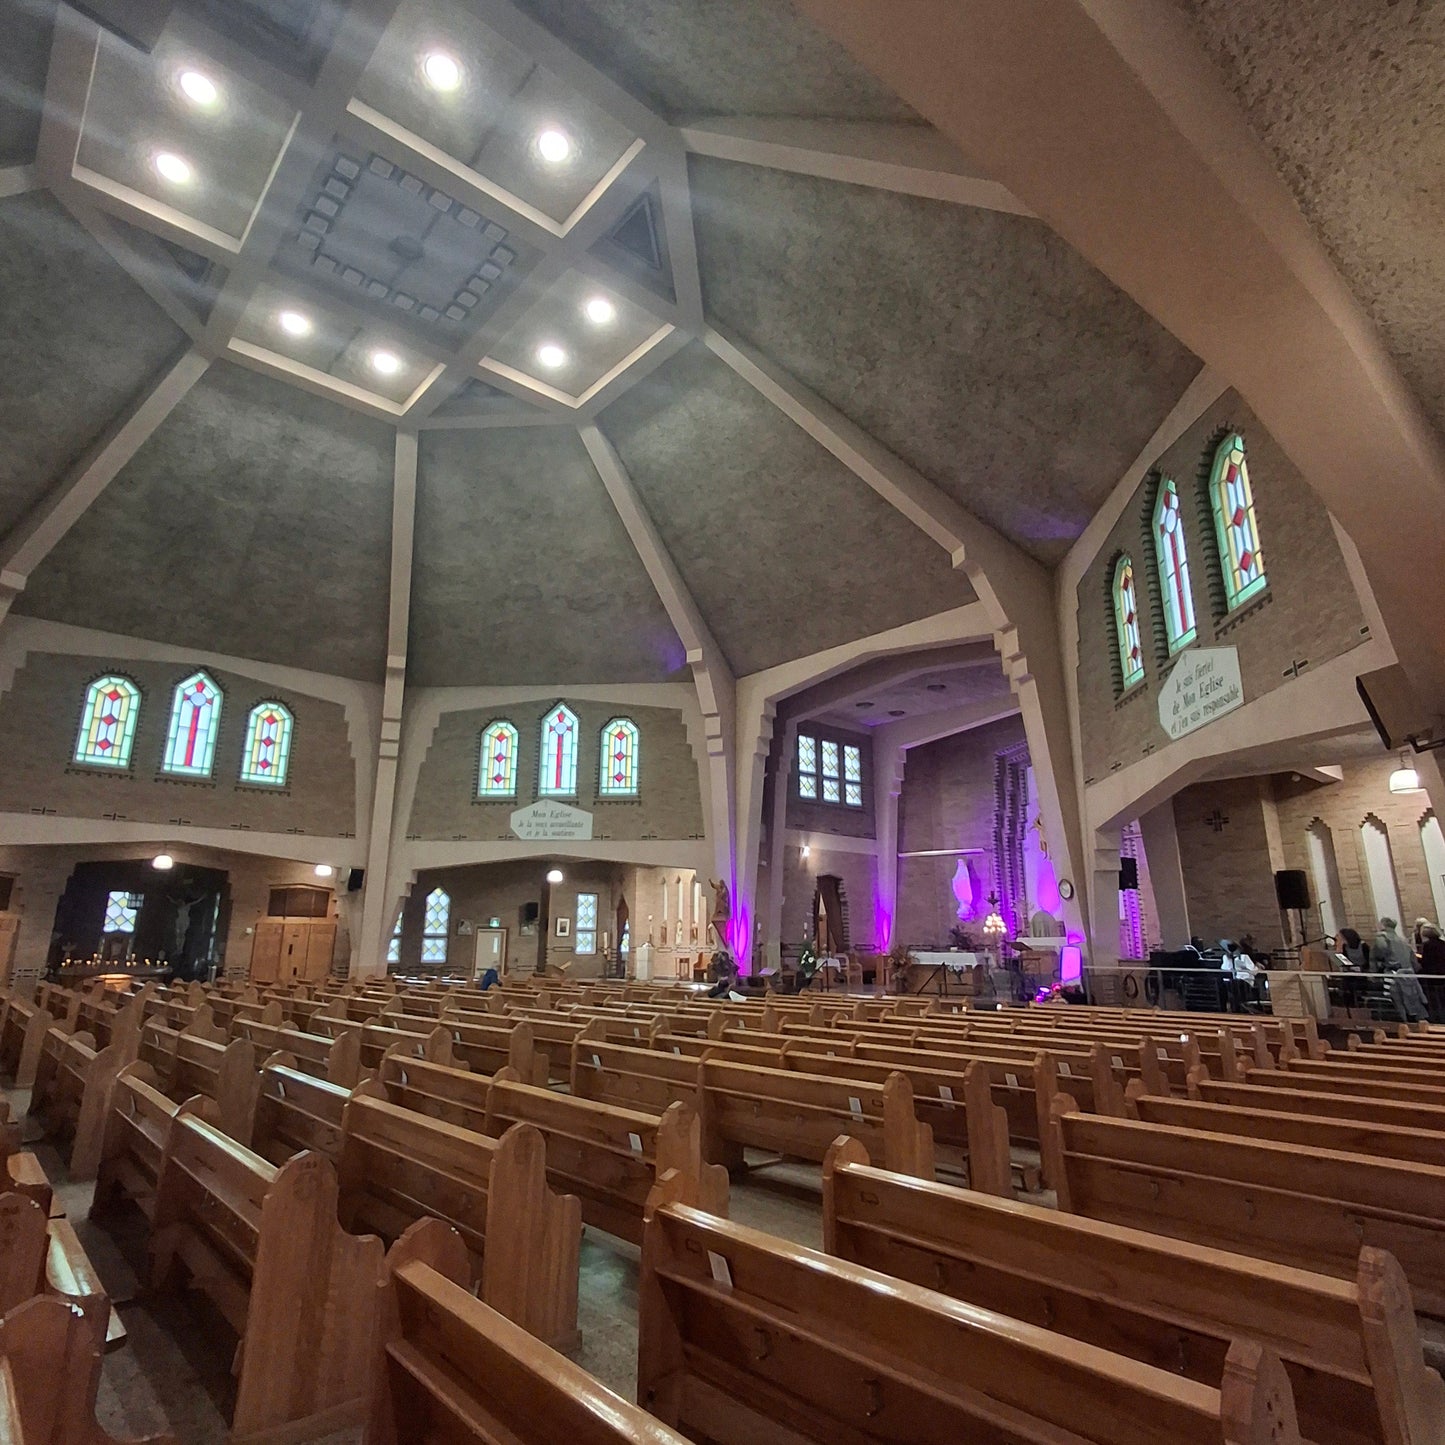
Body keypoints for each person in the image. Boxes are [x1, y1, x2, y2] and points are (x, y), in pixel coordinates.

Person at [1371, 916, 1428, 1023]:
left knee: (1397, 1003)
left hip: (1392, 976)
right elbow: (1414, 962)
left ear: (1383, 925)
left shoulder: (1382, 938)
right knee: (1412, 1003)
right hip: (1409, 976)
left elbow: (1379, 953)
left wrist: (1375, 972)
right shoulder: (1403, 941)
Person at [1418, 924, 1445, 1023]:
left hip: (1433, 976)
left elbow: (1426, 962)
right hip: (1443, 974)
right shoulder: (1443, 943)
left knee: (1436, 1000)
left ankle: (1439, 1019)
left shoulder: (1427, 946)